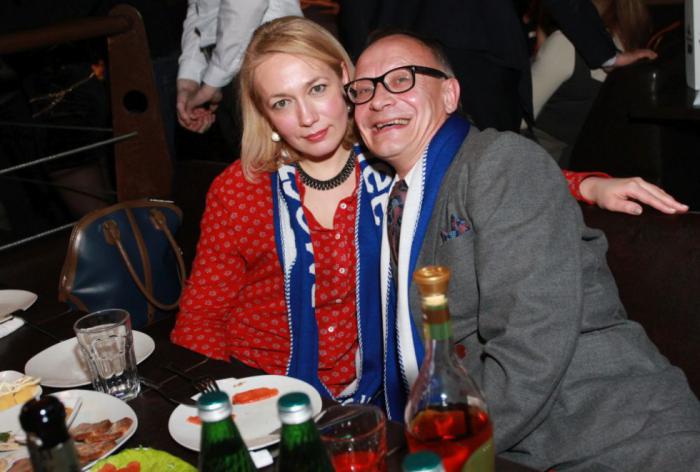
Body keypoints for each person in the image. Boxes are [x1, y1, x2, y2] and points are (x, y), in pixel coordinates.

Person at [348, 31, 700, 470]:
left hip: (610, 434)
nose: (379, 100)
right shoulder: (385, 198)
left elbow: (532, 342)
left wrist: (444, 453)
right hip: (514, 445)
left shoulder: (499, 162)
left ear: (450, 94)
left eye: (401, 79)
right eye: (362, 90)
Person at [171, 16, 390, 403]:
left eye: (317, 88)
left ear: (344, 77)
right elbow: (202, 318)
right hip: (261, 387)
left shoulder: (392, 168)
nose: (307, 118)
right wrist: (226, 406)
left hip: (378, 392)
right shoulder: (241, 189)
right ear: (264, 113)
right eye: (282, 102)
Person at [338, 0, 657, 132]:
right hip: (480, 48)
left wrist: (359, 68)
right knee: (487, 174)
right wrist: (605, 54)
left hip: (395, 52)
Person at [530, 0, 653, 165]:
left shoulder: (566, 43)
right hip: (599, 164)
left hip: (544, 162)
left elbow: (516, 118)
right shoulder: (636, 46)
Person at [176, 0, 302, 136]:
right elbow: (199, 8)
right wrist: (189, 80)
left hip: (267, 54)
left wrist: (212, 82)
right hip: (225, 66)